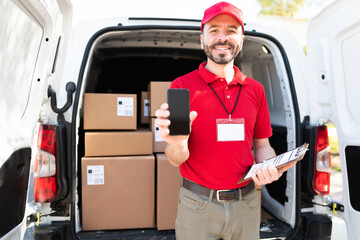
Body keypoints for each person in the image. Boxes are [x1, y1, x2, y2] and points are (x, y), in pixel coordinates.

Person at [155, 2, 296, 239]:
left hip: (248, 204)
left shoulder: (256, 90)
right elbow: (175, 158)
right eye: (213, 30)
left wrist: (271, 167)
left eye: (231, 30)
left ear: (241, 38)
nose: (223, 37)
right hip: (198, 205)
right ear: (202, 39)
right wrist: (177, 144)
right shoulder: (183, 87)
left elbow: (262, 146)